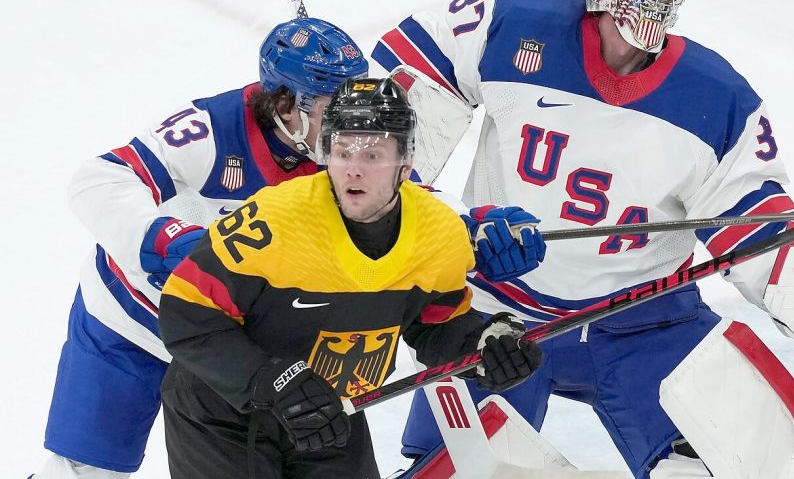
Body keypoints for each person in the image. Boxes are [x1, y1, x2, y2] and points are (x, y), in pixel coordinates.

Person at [371, 0, 794, 477]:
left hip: (644, 322)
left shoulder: (716, 96)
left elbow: (751, 223)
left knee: (739, 469)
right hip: (495, 317)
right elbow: (407, 84)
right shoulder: (516, 22)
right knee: (456, 471)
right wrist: (442, 221)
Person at [156, 77, 545, 479]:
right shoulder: (274, 219)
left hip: (331, 409)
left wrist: (484, 346)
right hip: (224, 413)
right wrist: (271, 380)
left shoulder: (439, 232)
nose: (354, 170)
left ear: (405, 163)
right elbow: (186, 312)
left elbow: (434, 324)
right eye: (342, 152)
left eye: (373, 155)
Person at [34, 17, 370, 479]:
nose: (351, 127)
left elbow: (407, 209)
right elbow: (99, 179)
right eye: (335, 109)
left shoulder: (350, 152)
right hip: (132, 321)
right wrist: (167, 238)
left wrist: (465, 230)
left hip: (227, 344)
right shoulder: (209, 131)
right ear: (286, 104)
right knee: (84, 472)